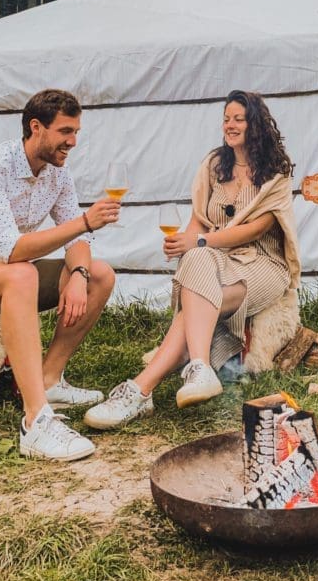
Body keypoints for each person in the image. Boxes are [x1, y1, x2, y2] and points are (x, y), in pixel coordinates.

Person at [0, 88, 121, 461]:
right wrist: (83, 222)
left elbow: (77, 239)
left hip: (2, 276)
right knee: (21, 273)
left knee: (100, 274)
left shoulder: (57, 175)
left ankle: (49, 380)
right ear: (36, 128)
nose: (73, 142)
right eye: (65, 131)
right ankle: (36, 421)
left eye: (76, 132)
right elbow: (11, 250)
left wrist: (78, 273)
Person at [85, 89, 300, 430]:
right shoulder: (215, 165)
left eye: (238, 119)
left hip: (262, 263)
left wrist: (198, 240)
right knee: (197, 260)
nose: (229, 125)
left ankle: (140, 390)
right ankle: (200, 368)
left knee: (195, 299)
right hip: (217, 257)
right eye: (226, 118)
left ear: (255, 123)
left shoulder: (275, 173)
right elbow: (199, 218)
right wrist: (185, 242)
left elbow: (255, 230)